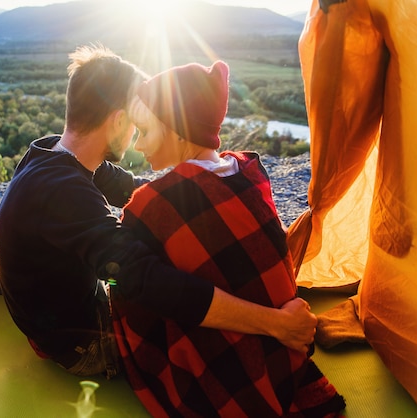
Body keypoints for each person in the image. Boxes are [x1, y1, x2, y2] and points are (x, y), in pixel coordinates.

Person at [0, 44, 317, 381]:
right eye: (137, 124)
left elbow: (131, 186)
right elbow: (145, 280)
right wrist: (274, 324)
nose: (136, 139)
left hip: (61, 314)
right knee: (208, 333)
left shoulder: (55, 155)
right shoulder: (61, 191)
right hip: (81, 345)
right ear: (119, 121)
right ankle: (277, 327)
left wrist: (204, 193)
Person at [110, 61, 346, 417]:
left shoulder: (152, 205)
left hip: (232, 369)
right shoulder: (248, 170)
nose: (139, 146)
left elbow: (128, 283)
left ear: (177, 130)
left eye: (144, 131)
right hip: (286, 352)